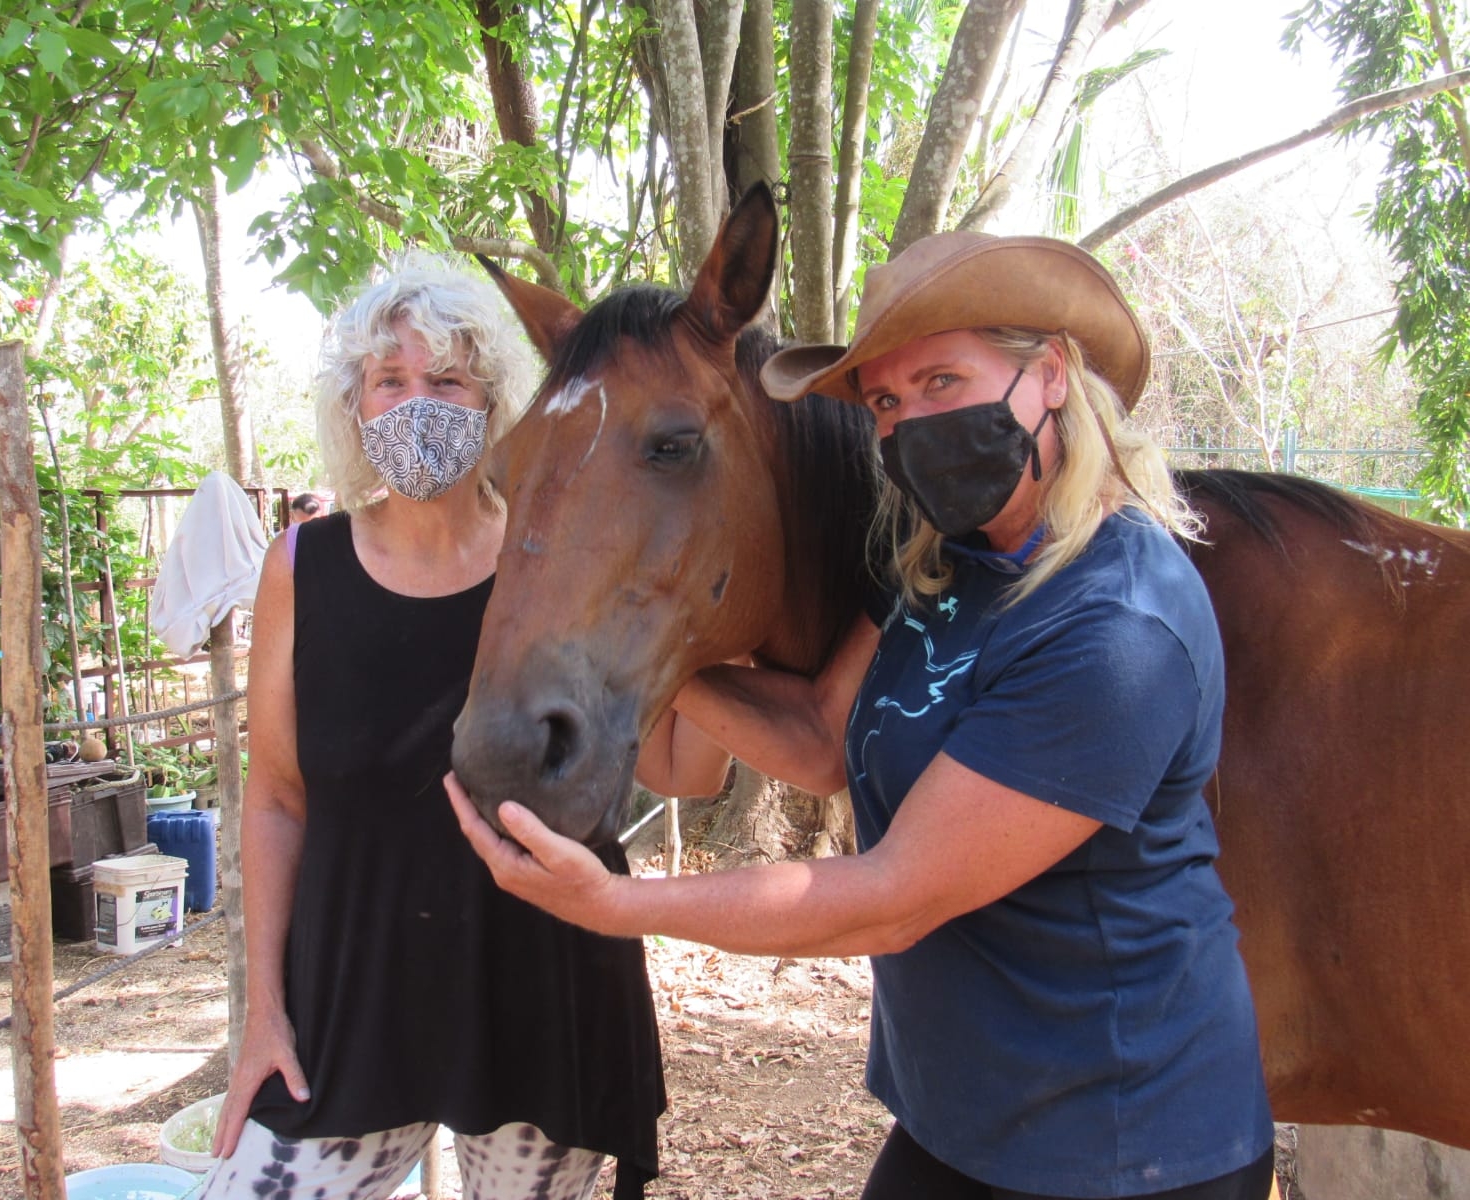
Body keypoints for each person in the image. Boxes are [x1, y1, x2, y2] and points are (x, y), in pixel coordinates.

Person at [449, 232, 1275, 1200]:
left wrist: (618, 906)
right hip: (963, 1121)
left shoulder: (1118, 624)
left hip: (1131, 1146)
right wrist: (619, 658)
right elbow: (819, 736)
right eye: (887, 401)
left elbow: (894, 894)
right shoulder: (943, 561)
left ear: (1050, 375)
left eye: (941, 381)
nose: (910, 423)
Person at [202, 253, 672, 1200]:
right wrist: (262, 1014)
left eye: (447, 378)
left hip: (541, 980)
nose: (417, 401)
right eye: (390, 380)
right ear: (355, 406)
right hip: (352, 988)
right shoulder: (302, 564)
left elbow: (668, 756)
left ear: (492, 399)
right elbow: (277, 796)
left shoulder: (559, 557)